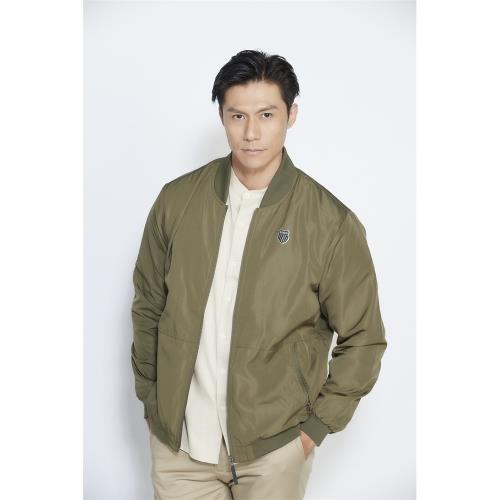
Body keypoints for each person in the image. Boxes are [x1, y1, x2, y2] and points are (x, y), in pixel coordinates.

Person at [131, 49, 387, 500]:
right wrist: (154, 405)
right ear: (222, 117)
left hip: (274, 451)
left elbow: (364, 338)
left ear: (291, 115)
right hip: (181, 447)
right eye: (238, 116)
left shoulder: (330, 223)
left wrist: (313, 430)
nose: (251, 133)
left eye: (266, 115)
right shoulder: (177, 201)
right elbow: (148, 305)